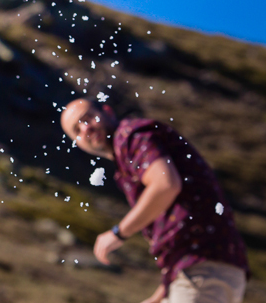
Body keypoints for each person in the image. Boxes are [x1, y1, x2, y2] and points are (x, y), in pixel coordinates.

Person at [60, 98, 249, 303]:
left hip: (202, 270)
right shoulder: (126, 162)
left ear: (108, 111)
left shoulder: (130, 136)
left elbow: (165, 185)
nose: (85, 128)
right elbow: (172, 223)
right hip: (200, 270)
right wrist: (161, 295)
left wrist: (118, 233)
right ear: (77, 143)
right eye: (77, 130)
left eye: (87, 118)